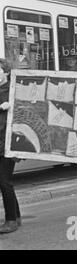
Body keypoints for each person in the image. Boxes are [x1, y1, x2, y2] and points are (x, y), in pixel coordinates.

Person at [0, 59, 21, 234]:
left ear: (6, 73)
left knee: (4, 181)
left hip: (7, 145)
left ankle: (11, 220)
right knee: (5, 182)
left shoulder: (13, 91)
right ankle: (17, 216)